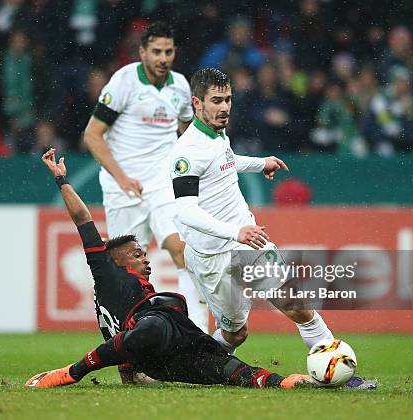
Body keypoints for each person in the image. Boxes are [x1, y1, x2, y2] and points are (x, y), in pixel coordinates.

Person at [25, 148, 311, 390]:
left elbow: (119, 339)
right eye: (137, 254)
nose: (146, 260)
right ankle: (71, 372)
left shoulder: (120, 301)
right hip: (151, 328)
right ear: (116, 260)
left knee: (226, 370)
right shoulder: (105, 271)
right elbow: (82, 218)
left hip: (162, 357)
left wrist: (129, 372)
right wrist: (61, 179)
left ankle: (285, 382)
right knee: (153, 324)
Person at [168, 68, 376, 389]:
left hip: (249, 243)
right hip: (212, 257)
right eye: (216, 101)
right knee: (236, 332)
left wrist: (259, 161)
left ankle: (338, 371)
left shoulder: (218, 135)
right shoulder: (186, 152)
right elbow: (185, 210)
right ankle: (198, 365)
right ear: (197, 103)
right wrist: (233, 233)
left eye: (228, 100)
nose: (224, 108)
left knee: (296, 304)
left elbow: (225, 160)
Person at [83, 22, 208, 332]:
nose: (163, 58)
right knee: (123, 272)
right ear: (142, 53)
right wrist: (122, 178)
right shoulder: (124, 82)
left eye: (168, 51)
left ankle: (199, 338)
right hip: (122, 188)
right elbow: (93, 135)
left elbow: (187, 132)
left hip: (163, 184)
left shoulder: (180, 86)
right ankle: (126, 351)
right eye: (156, 52)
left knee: (183, 250)